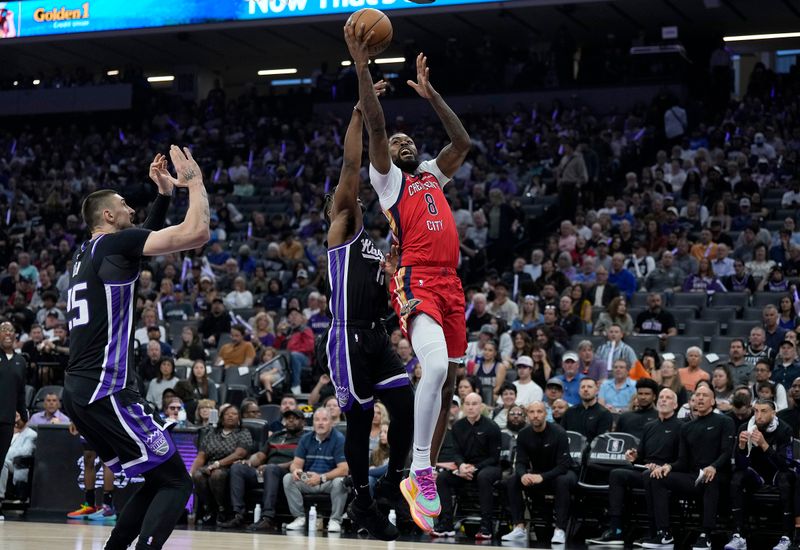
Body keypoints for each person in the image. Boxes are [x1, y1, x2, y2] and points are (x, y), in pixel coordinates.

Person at [347, 22, 472, 533]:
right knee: (436, 368)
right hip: (417, 276)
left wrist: (433, 96)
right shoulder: (390, 181)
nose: (399, 140)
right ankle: (419, 469)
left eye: (407, 138)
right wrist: (361, 68)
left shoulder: (430, 175)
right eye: (394, 140)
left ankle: (423, 467)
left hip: (452, 284)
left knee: (451, 382)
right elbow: (376, 127)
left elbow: (461, 142)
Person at [62, 148, 206, 550]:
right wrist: (193, 182)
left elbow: (138, 247)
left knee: (159, 478)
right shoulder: (112, 246)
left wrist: (162, 197)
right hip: (106, 389)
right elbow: (196, 234)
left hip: (81, 389)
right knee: (178, 482)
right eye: (124, 206)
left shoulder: (84, 255)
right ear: (108, 216)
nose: (130, 209)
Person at [319, 82, 415, 541]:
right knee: (359, 421)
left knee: (405, 406)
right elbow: (350, 164)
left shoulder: (373, 245)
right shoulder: (344, 224)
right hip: (347, 336)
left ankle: (394, 484)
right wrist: (359, 110)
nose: (354, 195)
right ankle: (363, 501)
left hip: (376, 336)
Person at [643, 384, 735, 550]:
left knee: (710, 479)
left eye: (704, 395)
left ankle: (705, 534)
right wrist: (668, 467)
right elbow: (682, 461)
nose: (700, 398)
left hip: (719, 475)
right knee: (657, 477)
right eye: (697, 395)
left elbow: (727, 452)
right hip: (693, 477)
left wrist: (713, 466)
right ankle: (665, 533)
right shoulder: (686, 427)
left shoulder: (725, 421)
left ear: (713, 400)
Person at [586, 388, 680, 545]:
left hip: (666, 472)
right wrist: (634, 457)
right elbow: (641, 456)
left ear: (675, 404)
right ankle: (616, 530)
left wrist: (662, 466)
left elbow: (682, 458)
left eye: (668, 397)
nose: (663, 400)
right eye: (661, 397)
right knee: (617, 474)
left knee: (649, 476)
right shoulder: (650, 426)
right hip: (646, 470)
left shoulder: (681, 426)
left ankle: (655, 531)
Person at [724, 399, 798, 550]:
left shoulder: (784, 429)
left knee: (786, 479)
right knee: (737, 477)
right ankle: (738, 535)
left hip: (777, 472)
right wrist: (742, 448)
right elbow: (740, 465)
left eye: (764, 411)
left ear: (773, 413)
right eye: (756, 411)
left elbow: (786, 465)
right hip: (756, 474)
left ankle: (787, 536)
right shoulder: (745, 427)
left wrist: (765, 445)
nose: (758, 415)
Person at [502, 401, 577, 545]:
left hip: (562, 473)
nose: (535, 416)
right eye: (532, 412)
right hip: (538, 474)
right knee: (512, 480)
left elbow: (563, 465)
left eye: (539, 412)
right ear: (527, 415)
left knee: (563, 481)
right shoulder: (524, 434)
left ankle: (560, 530)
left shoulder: (559, 432)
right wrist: (523, 474)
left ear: (546, 414)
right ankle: (519, 527)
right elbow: (520, 462)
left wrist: (541, 477)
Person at [219, 408, 306, 531]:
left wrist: (273, 467)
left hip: (286, 474)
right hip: (266, 472)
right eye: (288, 418)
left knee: (271, 469)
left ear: (303, 422)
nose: (291, 421)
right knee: (237, 467)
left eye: (295, 418)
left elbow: (298, 462)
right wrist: (249, 462)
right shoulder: (276, 436)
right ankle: (237, 514)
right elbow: (260, 456)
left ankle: (267, 518)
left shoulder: (306, 438)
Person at [432, 392, 502, 539]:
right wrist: (462, 466)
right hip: (465, 467)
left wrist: (474, 468)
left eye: (474, 404)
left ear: (481, 406)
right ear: (463, 406)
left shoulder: (492, 427)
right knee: (443, 478)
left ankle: (486, 526)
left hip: (489, 467)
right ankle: (446, 524)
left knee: (483, 477)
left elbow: (494, 458)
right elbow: (456, 452)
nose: (471, 407)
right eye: (468, 404)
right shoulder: (457, 426)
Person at [283, 408, 349, 533]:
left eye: (324, 420)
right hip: (308, 480)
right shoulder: (306, 438)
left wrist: (321, 477)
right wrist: (296, 470)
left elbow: (344, 469)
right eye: (317, 420)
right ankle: (300, 518)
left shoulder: (339, 439)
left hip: (328, 481)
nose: (320, 423)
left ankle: (335, 520)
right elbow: (295, 464)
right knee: (288, 478)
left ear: (331, 423)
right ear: (312, 423)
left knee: (340, 481)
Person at [189, 403, 252, 524]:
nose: (230, 416)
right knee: (197, 475)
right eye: (227, 414)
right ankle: (209, 509)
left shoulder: (243, 432)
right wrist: (190, 472)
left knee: (217, 475)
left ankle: (222, 509)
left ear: (239, 418)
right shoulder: (212, 433)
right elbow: (201, 456)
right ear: (221, 418)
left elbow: (239, 454)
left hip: (231, 467)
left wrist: (218, 464)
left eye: (234, 414)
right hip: (210, 465)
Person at [0, 412, 36, 515]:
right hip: (7, 460)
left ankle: (0, 499)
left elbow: (25, 451)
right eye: (14, 416)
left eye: (18, 416)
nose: (16, 420)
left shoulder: (31, 434)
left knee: (3, 464)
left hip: (17, 465)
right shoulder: (6, 430)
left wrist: (4, 452)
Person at [562, 378, 613, 442]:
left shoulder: (604, 414)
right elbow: (563, 435)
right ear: (579, 391)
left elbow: (602, 441)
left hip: (594, 451)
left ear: (597, 391)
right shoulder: (569, 412)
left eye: (589, 387)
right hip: (571, 450)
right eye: (582, 387)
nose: (585, 389)